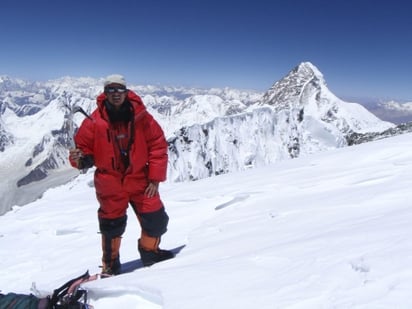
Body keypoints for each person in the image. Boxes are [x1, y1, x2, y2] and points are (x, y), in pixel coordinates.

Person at [69, 74, 173, 276]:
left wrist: (155, 178)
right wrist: (79, 159)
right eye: (111, 90)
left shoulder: (142, 117)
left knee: (157, 220)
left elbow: (158, 145)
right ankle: (110, 264)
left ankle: (150, 252)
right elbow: (81, 152)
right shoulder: (94, 122)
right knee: (111, 227)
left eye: (119, 90)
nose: (115, 94)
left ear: (126, 92)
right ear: (105, 93)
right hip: (109, 182)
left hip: (140, 179)